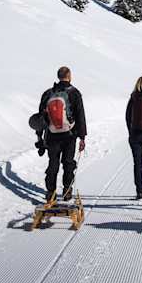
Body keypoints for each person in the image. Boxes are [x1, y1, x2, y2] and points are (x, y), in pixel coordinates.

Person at [38, 66, 87, 204]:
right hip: (69, 135)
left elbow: (41, 118)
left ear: (58, 76)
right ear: (69, 76)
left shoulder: (48, 93)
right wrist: (82, 137)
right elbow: (80, 116)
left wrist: (39, 137)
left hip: (52, 135)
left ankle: (50, 192)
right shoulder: (74, 93)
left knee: (53, 163)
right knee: (68, 162)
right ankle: (67, 191)